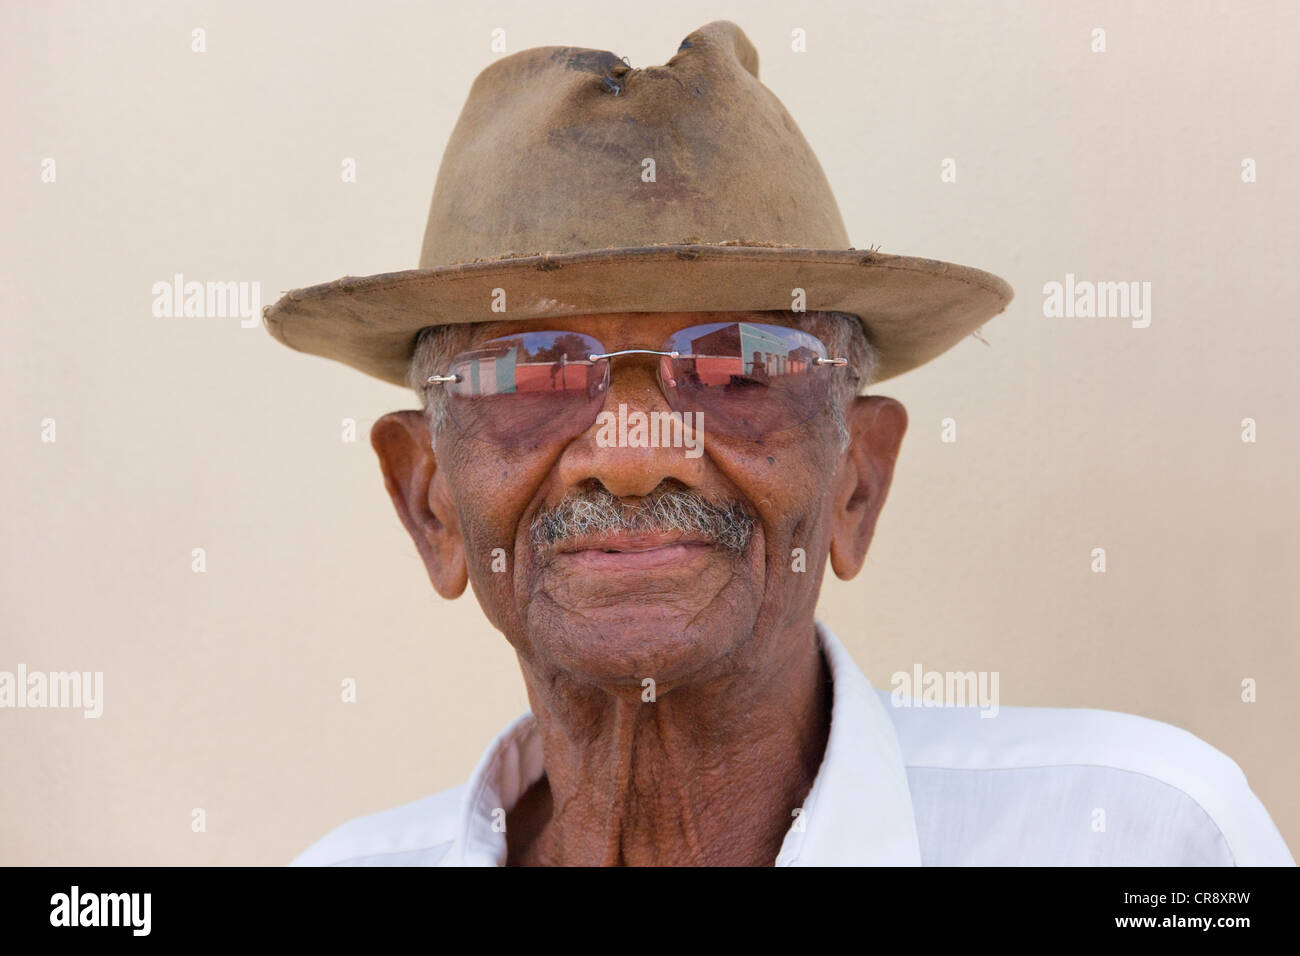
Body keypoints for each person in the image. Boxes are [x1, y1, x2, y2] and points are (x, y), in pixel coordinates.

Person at [265, 21, 1293, 866]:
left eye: (739, 368)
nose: (630, 453)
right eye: (529, 373)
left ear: (857, 477)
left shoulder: (1141, 840)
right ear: (428, 500)